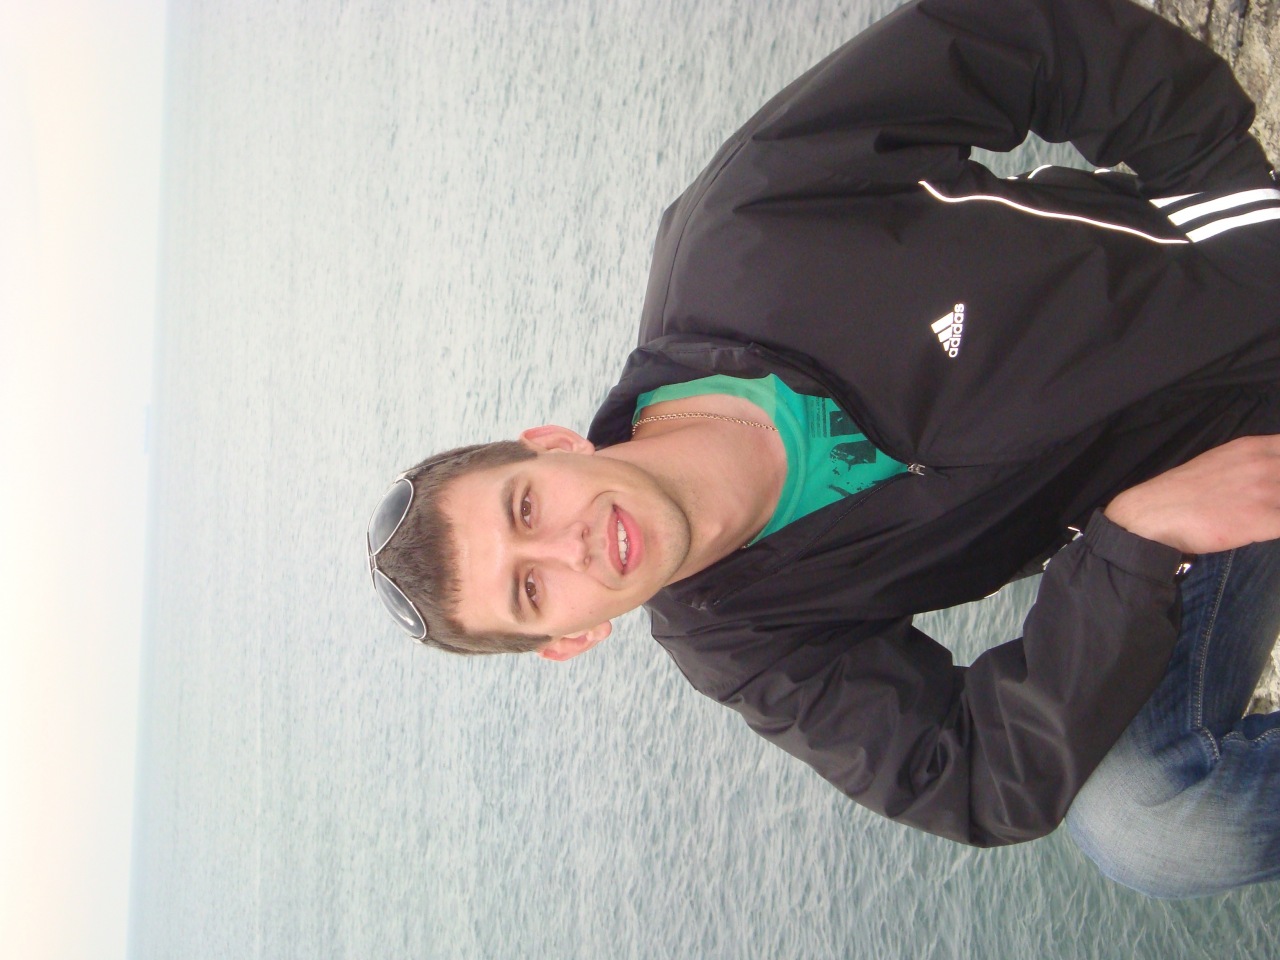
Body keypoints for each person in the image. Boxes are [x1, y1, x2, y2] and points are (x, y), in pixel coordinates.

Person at [367, 0, 1280, 898]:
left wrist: (1226, 190)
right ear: (571, 638)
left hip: (1239, 283)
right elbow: (965, 774)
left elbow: (1009, 36)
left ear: (551, 444)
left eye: (525, 507)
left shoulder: (741, 231)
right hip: (1209, 503)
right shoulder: (744, 641)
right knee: (1147, 824)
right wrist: (1135, 543)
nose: (566, 547)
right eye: (532, 589)